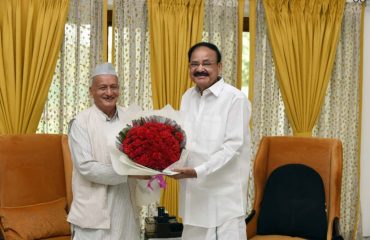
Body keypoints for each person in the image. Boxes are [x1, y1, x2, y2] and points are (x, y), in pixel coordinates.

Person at [172, 42, 251, 240]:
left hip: (223, 199)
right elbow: (183, 139)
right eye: (194, 64)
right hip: (194, 195)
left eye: (207, 63)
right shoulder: (187, 97)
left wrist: (198, 171)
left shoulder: (235, 99)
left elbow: (233, 146)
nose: (200, 69)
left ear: (219, 66)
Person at [67, 63, 140, 240]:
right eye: (102, 88)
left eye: (113, 87)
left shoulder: (132, 118)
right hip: (92, 214)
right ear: (91, 91)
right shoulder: (80, 122)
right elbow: (87, 167)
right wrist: (129, 173)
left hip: (126, 208)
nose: (109, 92)